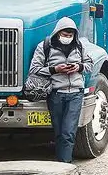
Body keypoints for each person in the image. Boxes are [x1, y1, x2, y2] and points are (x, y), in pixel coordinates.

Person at [28, 17, 93, 163]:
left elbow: (89, 64)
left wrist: (79, 67)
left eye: (70, 36)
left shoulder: (80, 46)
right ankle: (61, 163)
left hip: (76, 93)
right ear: (57, 33)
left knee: (68, 132)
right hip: (55, 94)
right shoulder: (44, 46)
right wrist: (55, 69)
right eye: (64, 35)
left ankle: (66, 165)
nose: (67, 38)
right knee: (59, 132)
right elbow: (35, 69)